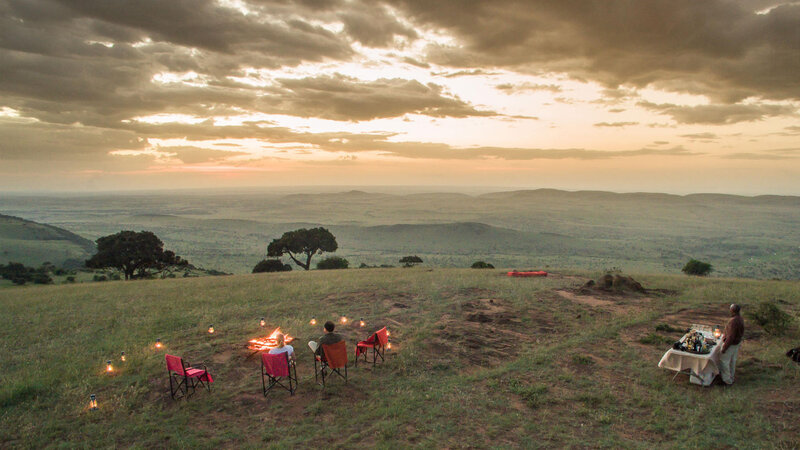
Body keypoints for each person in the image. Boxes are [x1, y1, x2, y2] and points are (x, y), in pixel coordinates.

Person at [719, 303, 744, 385]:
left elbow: (730, 337)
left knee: (724, 362)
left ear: (732, 311)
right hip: (736, 343)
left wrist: (724, 348)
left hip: (731, 344)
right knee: (732, 361)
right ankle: (731, 377)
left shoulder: (733, 321)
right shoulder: (740, 319)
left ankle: (727, 381)